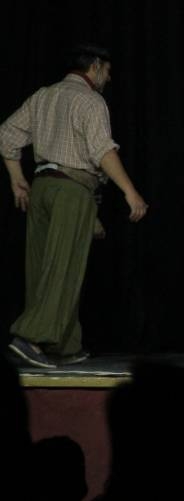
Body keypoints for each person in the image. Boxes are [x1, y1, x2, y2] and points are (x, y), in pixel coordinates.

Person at [1, 43, 148, 369]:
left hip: (41, 187)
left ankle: (64, 344)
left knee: (42, 267)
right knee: (64, 266)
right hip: (71, 190)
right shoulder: (90, 100)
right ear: (95, 66)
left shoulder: (44, 95)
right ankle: (30, 338)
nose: (108, 78)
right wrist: (130, 192)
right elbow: (102, 151)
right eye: (107, 71)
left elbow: (8, 132)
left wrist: (16, 178)